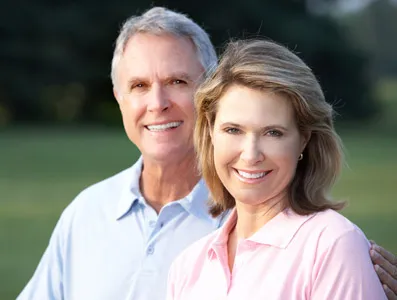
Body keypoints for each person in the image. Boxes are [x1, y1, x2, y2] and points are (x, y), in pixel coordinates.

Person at [17, 7, 397, 300]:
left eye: (177, 82)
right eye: (139, 85)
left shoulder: (308, 233)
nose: (158, 103)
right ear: (119, 99)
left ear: (208, 97)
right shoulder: (88, 214)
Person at [166, 39, 389, 299]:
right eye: (233, 130)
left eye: (273, 133)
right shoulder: (187, 267)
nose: (250, 155)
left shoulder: (333, 245)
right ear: (211, 132)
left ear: (303, 139)